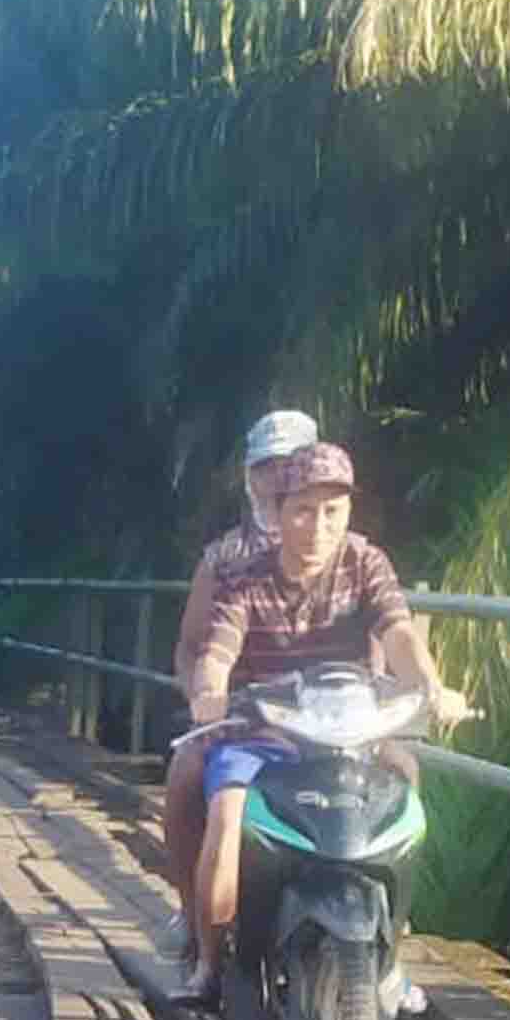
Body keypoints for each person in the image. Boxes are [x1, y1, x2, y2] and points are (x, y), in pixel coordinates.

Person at [172, 441, 467, 1003]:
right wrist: (209, 693)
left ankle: (388, 961)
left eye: (332, 511)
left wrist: (429, 683)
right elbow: (216, 651)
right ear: (278, 514)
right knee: (228, 809)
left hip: (351, 732)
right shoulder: (244, 576)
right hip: (265, 731)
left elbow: (398, 631)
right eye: (302, 510)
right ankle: (210, 961)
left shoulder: (365, 562)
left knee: (406, 789)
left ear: (349, 513)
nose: (317, 526)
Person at [155, 411, 318, 964]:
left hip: (330, 716)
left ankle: (389, 936)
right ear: (249, 478)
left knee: (404, 771)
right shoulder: (225, 558)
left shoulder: (345, 548)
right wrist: (203, 703)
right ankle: (194, 917)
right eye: (265, 468)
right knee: (184, 778)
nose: (277, 480)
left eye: (289, 466)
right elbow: (191, 645)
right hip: (242, 714)